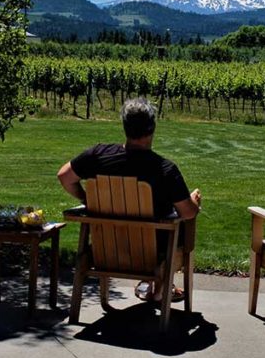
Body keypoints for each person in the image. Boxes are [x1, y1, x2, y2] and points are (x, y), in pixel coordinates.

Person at [57, 98, 201, 302]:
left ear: (125, 126)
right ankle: (160, 285)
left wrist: (88, 199)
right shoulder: (165, 170)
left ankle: (155, 286)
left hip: (104, 252)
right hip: (152, 257)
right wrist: (194, 201)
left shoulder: (97, 156)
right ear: (152, 128)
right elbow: (187, 213)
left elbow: (64, 177)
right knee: (181, 226)